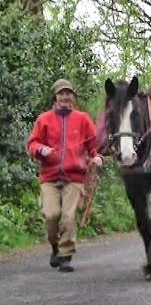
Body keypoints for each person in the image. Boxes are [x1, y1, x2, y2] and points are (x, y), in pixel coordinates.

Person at [26, 79, 103, 272]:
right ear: (56, 97)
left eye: (68, 93)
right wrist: (43, 150)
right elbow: (32, 144)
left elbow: (93, 145)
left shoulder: (83, 119)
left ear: (73, 97)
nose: (65, 97)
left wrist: (97, 157)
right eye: (61, 93)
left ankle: (66, 255)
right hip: (49, 177)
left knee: (68, 217)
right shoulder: (44, 119)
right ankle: (55, 247)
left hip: (75, 177)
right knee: (51, 215)